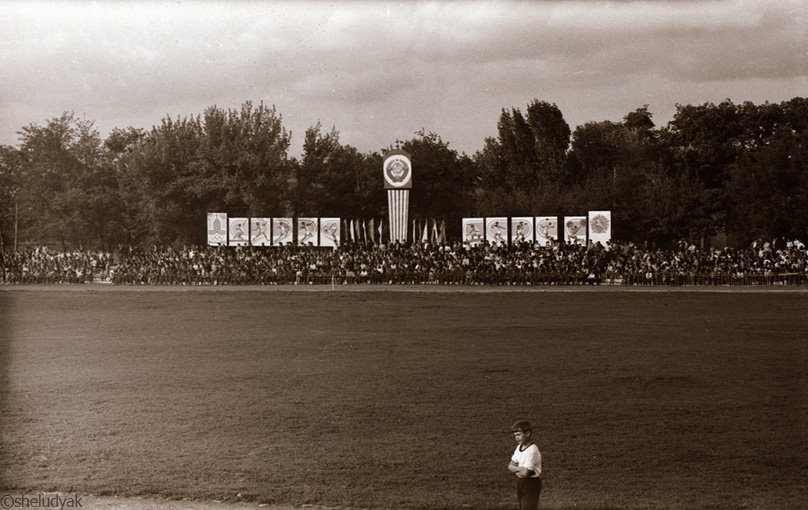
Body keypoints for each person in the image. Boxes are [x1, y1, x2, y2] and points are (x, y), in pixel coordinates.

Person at [508, 420, 542, 510]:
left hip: (531, 483)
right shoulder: (519, 447)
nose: (516, 438)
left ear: (527, 434)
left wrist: (517, 469)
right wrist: (521, 469)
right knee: (521, 507)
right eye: (515, 435)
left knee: (528, 507)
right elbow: (510, 466)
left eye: (519, 435)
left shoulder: (532, 450)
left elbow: (526, 473)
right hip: (520, 482)